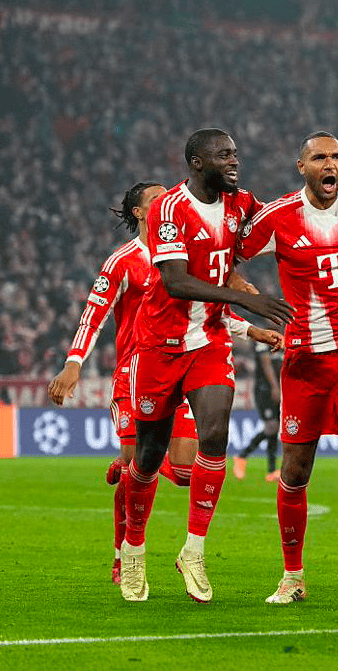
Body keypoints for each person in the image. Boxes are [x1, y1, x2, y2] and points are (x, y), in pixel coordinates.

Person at [47, 181, 281, 586]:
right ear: (140, 213)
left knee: (184, 471)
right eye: (156, 199)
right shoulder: (123, 261)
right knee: (139, 463)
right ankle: (123, 555)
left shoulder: (186, 254)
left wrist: (249, 330)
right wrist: (73, 363)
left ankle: (135, 467)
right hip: (135, 370)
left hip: (186, 363)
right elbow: (93, 314)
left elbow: (202, 310)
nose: (167, 201)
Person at [119, 129, 294, 603]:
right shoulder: (169, 209)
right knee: (148, 455)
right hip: (159, 346)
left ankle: (193, 550)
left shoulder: (241, 203)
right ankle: (133, 548)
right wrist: (246, 300)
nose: (234, 161)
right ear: (197, 163)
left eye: (235, 153)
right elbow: (175, 282)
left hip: (211, 341)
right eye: (223, 155)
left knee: (215, 434)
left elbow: (285, 219)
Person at [237, 132, 338, 606]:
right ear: (301, 167)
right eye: (320, 157)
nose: (330, 164)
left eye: (337, 156)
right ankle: (293, 577)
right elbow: (221, 259)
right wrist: (253, 299)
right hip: (306, 361)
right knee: (295, 470)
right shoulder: (278, 217)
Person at [233, 338, 284, 483]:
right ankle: (242, 456)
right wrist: (275, 387)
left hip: (278, 389)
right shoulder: (264, 338)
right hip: (264, 390)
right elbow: (265, 363)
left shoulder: (283, 338)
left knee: (274, 429)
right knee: (271, 426)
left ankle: (271, 470)